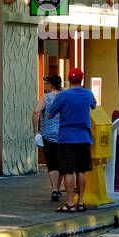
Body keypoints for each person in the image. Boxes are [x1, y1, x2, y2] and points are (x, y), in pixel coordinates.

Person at [47, 67, 96, 210]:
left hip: (66, 138)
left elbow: (50, 114)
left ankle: (69, 203)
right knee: (81, 171)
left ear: (68, 79)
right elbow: (94, 106)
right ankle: (80, 202)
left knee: (68, 171)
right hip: (84, 138)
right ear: (81, 79)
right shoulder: (88, 94)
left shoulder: (63, 95)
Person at [33, 74, 64, 202]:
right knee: (61, 164)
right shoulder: (65, 97)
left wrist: (36, 130)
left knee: (52, 164)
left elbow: (36, 112)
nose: (46, 86)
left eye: (47, 83)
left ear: (51, 85)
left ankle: (54, 189)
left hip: (49, 135)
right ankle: (57, 188)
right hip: (64, 135)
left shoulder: (46, 97)